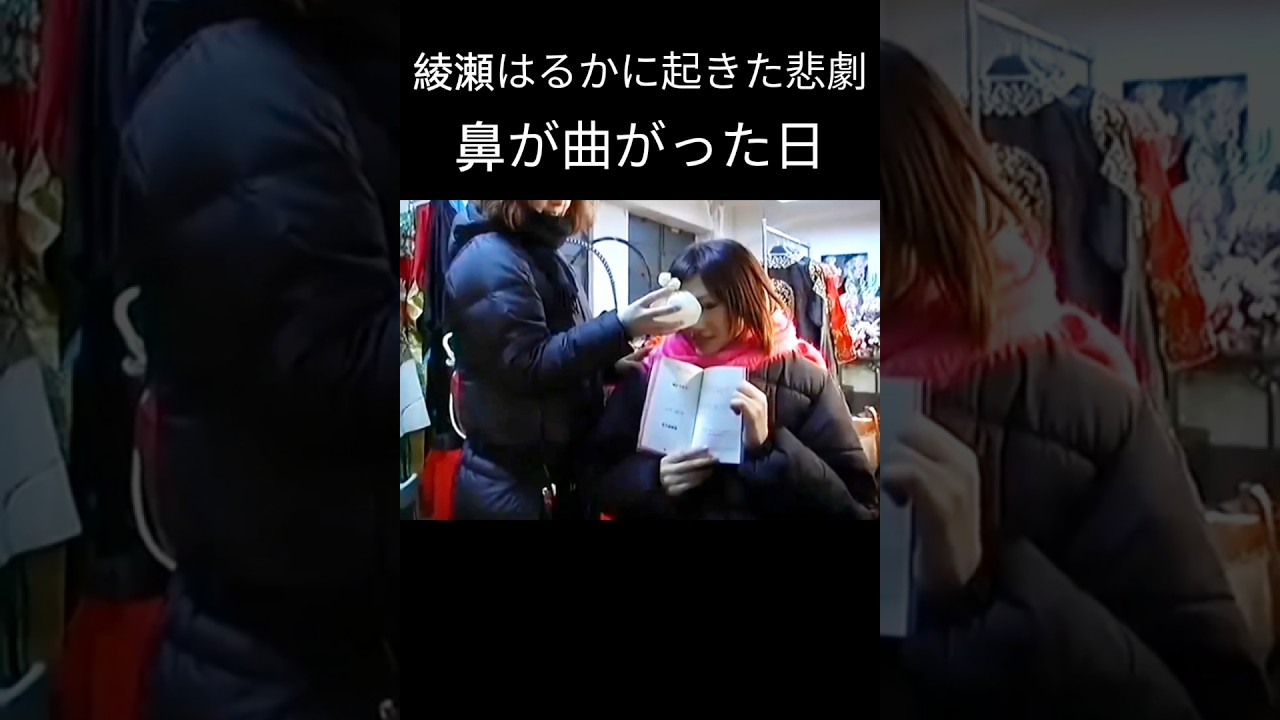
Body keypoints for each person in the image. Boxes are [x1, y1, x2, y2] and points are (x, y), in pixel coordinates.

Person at [876, 39, 1272, 719]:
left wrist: (982, 592)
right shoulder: (818, 389)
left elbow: (1215, 702)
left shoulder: (1094, 414)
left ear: (920, 193)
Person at [121, 0, 398, 717]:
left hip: (310, 650)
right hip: (283, 663)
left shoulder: (320, 70)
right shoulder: (244, 86)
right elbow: (336, 370)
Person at [582, 239, 876, 519]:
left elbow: (858, 507)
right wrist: (653, 478)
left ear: (744, 299)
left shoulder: (806, 380)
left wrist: (769, 448)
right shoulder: (649, 373)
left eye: (709, 306)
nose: (694, 325)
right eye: (683, 308)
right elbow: (595, 479)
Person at [444, 200, 685, 520]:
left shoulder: (545, 256)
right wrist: (621, 326)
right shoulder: (488, 258)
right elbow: (526, 364)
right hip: (513, 488)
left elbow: (556, 348)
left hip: (556, 480)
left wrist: (608, 365)